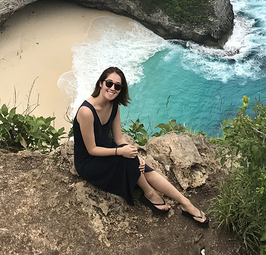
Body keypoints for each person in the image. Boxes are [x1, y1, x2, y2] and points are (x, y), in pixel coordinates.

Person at [72, 66, 209, 225]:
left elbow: (118, 138)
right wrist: (120, 152)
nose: (112, 88)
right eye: (109, 83)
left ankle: (186, 203)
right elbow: (92, 149)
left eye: (117, 86)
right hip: (88, 161)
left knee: (140, 164)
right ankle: (150, 194)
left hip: (108, 149)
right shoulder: (86, 111)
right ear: (101, 83)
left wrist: (133, 154)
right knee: (129, 161)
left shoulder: (113, 106)